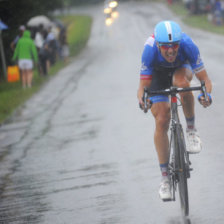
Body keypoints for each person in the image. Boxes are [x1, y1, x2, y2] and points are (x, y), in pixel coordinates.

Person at [137, 21, 212, 201]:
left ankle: (191, 130)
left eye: (174, 47)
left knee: (181, 84)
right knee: (162, 119)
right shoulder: (149, 49)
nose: (171, 51)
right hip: (158, 75)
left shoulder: (188, 44)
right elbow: (142, 88)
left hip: (181, 70)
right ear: (158, 45)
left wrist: (206, 95)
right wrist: (143, 101)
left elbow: (205, 81)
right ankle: (165, 179)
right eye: (165, 48)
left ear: (179, 43)